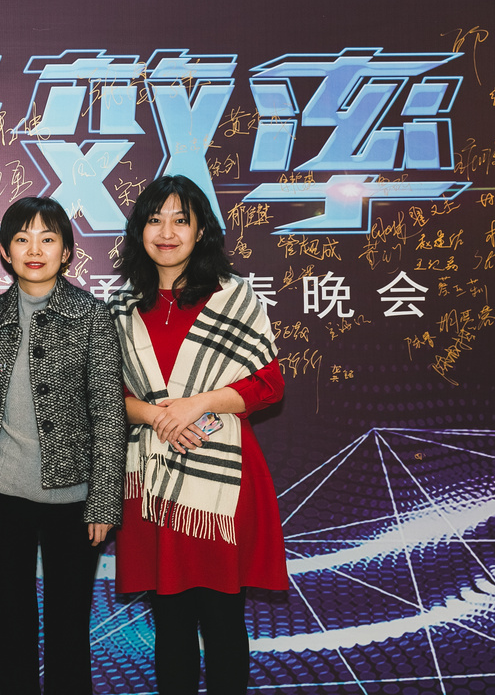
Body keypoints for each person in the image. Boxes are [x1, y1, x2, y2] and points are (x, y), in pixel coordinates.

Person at [107, 175, 288, 695]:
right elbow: (103, 397)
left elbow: (269, 384)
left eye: (180, 220)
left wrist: (198, 405)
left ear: (201, 230)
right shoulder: (121, 307)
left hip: (221, 488)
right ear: (139, 230)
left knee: (224, 621)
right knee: (171, 626)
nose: (166, 232)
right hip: (153, 485)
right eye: (154, 220)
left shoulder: (233, 297)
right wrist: (155, 415)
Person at [0, 196, 125, 695]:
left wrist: (104, 500)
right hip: (0, 498)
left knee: (69, 633)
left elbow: (108, 413)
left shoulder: (92, 316)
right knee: (12, 629)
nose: (34, 249)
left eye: (48, 239)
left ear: (66, 252)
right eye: (22, 239)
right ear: (5, 252)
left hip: (74, 500)